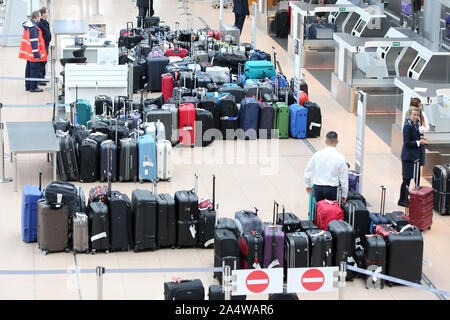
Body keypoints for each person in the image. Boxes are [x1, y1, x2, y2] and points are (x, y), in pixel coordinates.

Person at [304, 131, 349, 203]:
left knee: (319, 210)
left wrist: (308, 185)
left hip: (318, 188)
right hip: (332, 190)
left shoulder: (317, 155)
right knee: (331, 212)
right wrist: (344, 195)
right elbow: (344, 179)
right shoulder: (341, 158)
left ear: (325, 141)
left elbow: (307, 173)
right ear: (337, 141)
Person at [398, 106, 428, 207]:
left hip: (414, 157)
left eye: (417, 115)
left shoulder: (414, 125)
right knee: (406, 179)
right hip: (408, 157)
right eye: (414, 115)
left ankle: (411, 198)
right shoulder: (407, 126)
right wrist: (419, 142)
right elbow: (407, 142)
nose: (415, 117)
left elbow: (414, 137)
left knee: (415, 178)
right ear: (409, 115)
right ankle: (402, 199)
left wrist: (421, 138)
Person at [19, 10, 47, 93]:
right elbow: (34, 42)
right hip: (33, 54)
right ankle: (33, 87)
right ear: (37, 17)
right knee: (34, 70)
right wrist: (36, 54)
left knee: (28, 69)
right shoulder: (34, 28)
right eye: (39, 17)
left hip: (28, 53)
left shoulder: (28, 25)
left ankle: (28, 85)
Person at [37, 7, 51, 87]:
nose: (47, 14)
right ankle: (40, 78)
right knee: (42, 61)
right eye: (46, 12)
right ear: (43, 14)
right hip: (42, 45)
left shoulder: (45, 22)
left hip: (46, 43)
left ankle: (42, 76)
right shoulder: (40, 23)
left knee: (44, 60)